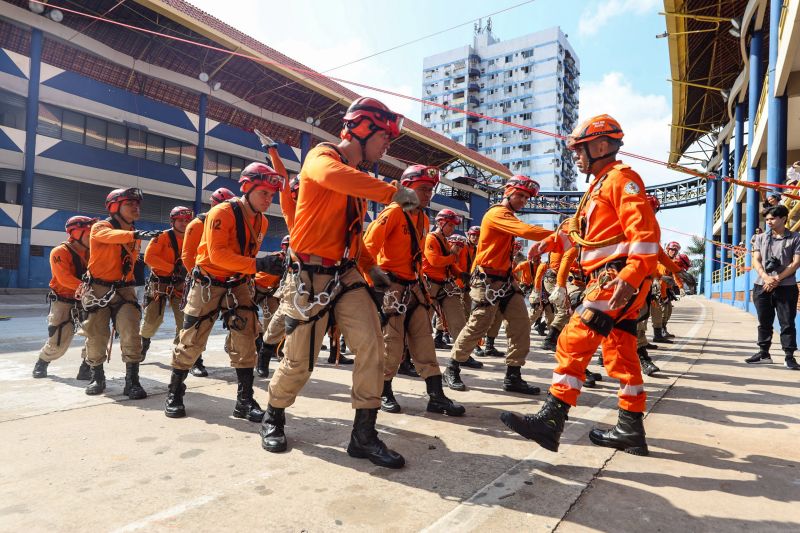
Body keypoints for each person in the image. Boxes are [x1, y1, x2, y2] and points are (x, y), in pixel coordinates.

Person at [262, 97, 418, 469]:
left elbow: (352, 237)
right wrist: (390, 192)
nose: (386, 146)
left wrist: (371, 269)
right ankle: (274, 415)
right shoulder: (322, 157)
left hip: (345, 273)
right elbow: (334, 177)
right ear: (363, 130)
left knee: (373, 348)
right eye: (384, 137)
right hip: (309, 276)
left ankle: (363, 435)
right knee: (299, 362)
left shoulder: (357, 179)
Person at [502, 114, 660, 456]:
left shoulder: (622, 180)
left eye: (580, 148)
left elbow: (645, 235)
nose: (575, 155)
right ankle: (630, 428)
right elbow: (581, 227)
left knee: (573, 342)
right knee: (623, 355)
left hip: (613, 278)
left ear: (601, 146)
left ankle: (550, 420)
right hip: (616, 279)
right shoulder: (599, 185)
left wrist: (630, 277)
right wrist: (552, 240)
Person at [165, 162, 286, 421]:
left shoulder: (262, 221)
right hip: (208, 283)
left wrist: (259, 266)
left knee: (246, 341)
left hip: (239, 284)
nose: (269, 200)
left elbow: (244, 255)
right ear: (248, 188)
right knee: (191, 341)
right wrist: (259, 265)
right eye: (264, 193)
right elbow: (216, 255)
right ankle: (174, 393)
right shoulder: (222, 212)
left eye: (271, 195)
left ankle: (244, 400)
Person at [364, 165, 465, 416]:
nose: (428, 194)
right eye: (422, 189)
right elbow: (367, 248)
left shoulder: (423, 217)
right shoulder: (394, 212)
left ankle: (436, 396)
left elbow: (416, 257)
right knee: (392, 344)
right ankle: (383, 390)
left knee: (424, 341)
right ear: (407, 188)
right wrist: (374, 286)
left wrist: (423, 289)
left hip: (413, 287)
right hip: (391, 286)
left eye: (431, 189)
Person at [443, 175, 551, 395]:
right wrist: (562, 234)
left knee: (520, 325)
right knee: (478, 325)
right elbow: (527, 231)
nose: (523, 200)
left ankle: (513, 375)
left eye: (526, 197)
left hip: (505, 280)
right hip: (488, 280)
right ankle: (452, 367)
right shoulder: (497, 213)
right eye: (520, 195)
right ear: (507, 193)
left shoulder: (507, 215)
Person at [81, 188, 158, 398]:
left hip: (124, 289)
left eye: (137, 204)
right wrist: (134, 234)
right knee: (96, 334)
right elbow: (109, 236)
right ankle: (97, 376)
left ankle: (132, 381)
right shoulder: (100, 227)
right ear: (115, 207)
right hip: (98, 288)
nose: (136, 207)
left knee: (132, 332)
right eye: (129, 204)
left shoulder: (134, 233)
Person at [180, 187, 236, 377]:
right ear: (212, 204)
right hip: (203, 280)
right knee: (196, 325)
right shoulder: (197, 225)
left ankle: (240, 355)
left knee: (242, 319)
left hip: (228, 279)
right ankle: (196, 360)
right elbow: (187, 255)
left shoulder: (233, 222)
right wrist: (198, 277)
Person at [32, 216, 96, 380]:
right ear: (76, 232)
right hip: (64, 300)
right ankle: (43, 361)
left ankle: (87, 367)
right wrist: (88, 289)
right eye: (90, 233)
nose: (92, 237)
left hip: (86, 300)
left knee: (96, 334)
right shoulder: (60, 252)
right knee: (58, 341)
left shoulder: (93, 253)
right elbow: (63, 279)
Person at [746, 204, 800, 369]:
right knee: (764, 322)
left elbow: (796, 262)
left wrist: (776, 279)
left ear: (783, 218)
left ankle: (789, 356)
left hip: (786, 287)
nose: (768, 221)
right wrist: (765, 277)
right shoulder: (761, 237)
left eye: (772, 218)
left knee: (787, 322)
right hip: (762, 286)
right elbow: (756, 260)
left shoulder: (795, 237)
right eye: (767, 219)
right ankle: (764, 354)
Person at [139, 206, 192, 361]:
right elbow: (149, 258)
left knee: (184, 321)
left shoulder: (192, 238)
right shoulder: (161, 237)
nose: (184, 223)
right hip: (160, 284)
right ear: (172, 221)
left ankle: (179, 353)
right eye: (180, 220)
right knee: (152, 319)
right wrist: (173, 269)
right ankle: (144, 344)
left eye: (187, 221)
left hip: (181, 285)